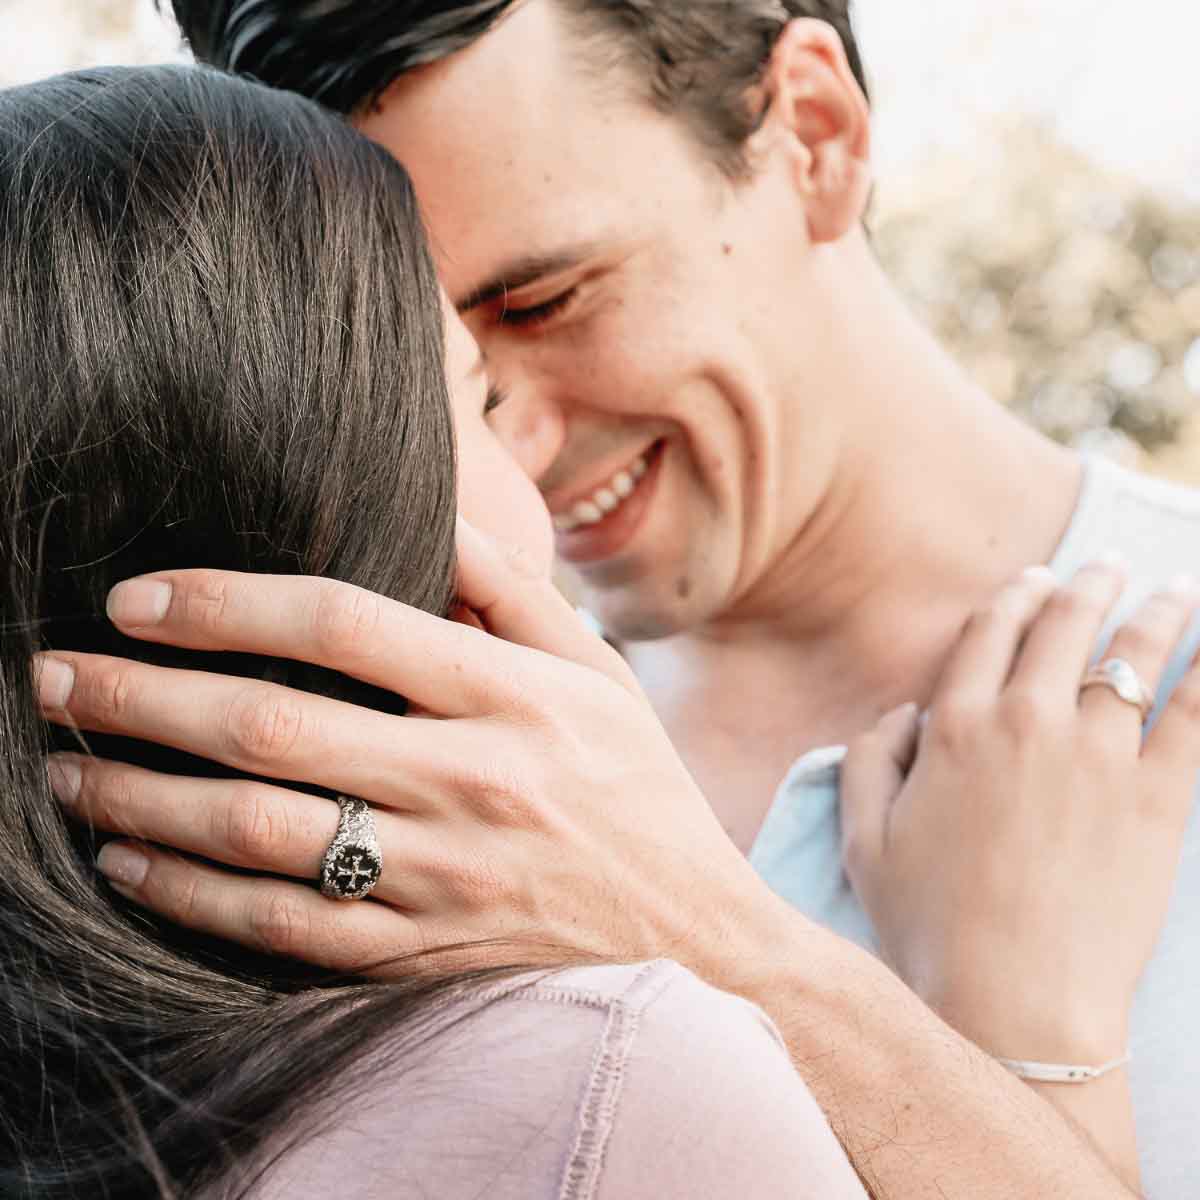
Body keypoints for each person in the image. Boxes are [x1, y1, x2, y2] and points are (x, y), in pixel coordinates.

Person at [45, 0, 1200, 1192]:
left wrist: (723, 945)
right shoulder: (334, 775)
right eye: (430, 381)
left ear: (813, 131)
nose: (516, 450)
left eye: (545, 302)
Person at [0, 64, 868, 1200]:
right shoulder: (616, 1083)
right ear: (342, 511)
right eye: (480, 398)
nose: (541, 468)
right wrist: (1040, 1037)